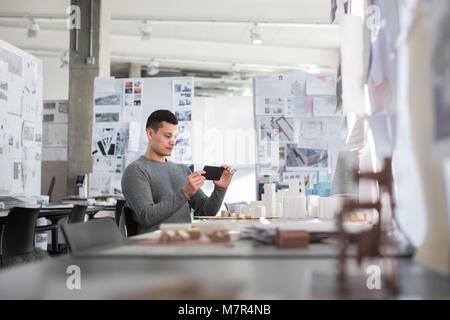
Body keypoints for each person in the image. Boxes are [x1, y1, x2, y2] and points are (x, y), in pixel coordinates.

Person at [121, 109, 234, 234]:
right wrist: (184, 193)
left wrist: (220, 189)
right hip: (156, 246)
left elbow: (206, 211)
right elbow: (147, 217)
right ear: (150, 133)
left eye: (175, 137)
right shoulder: (135, 171)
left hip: (185, 242)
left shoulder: (181, 170)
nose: (173, 142)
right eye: (167, 136)